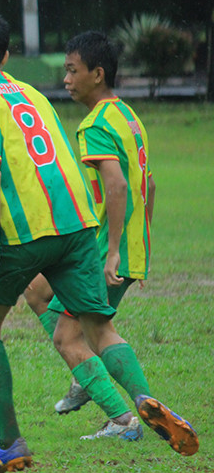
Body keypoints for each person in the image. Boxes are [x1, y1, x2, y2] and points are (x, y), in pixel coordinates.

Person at [0, 10, 198, 473]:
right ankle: (143, 397)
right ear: (5, 54)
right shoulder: (35, 95)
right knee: (98, 327)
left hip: (27, 233)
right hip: (79, 226)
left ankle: (10, 444)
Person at [24, 31, 159, 424]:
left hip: (102, 249)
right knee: (36, 288)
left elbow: (117, 185)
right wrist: (140, 242)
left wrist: (114, 250)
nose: (66, 79)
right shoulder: (128, 117)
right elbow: (147, 184)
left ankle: (125, 416)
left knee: (73, 337)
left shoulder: (95, 126)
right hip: (126, 244)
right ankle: (93, 374)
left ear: (97, 74)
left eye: (72, 71)